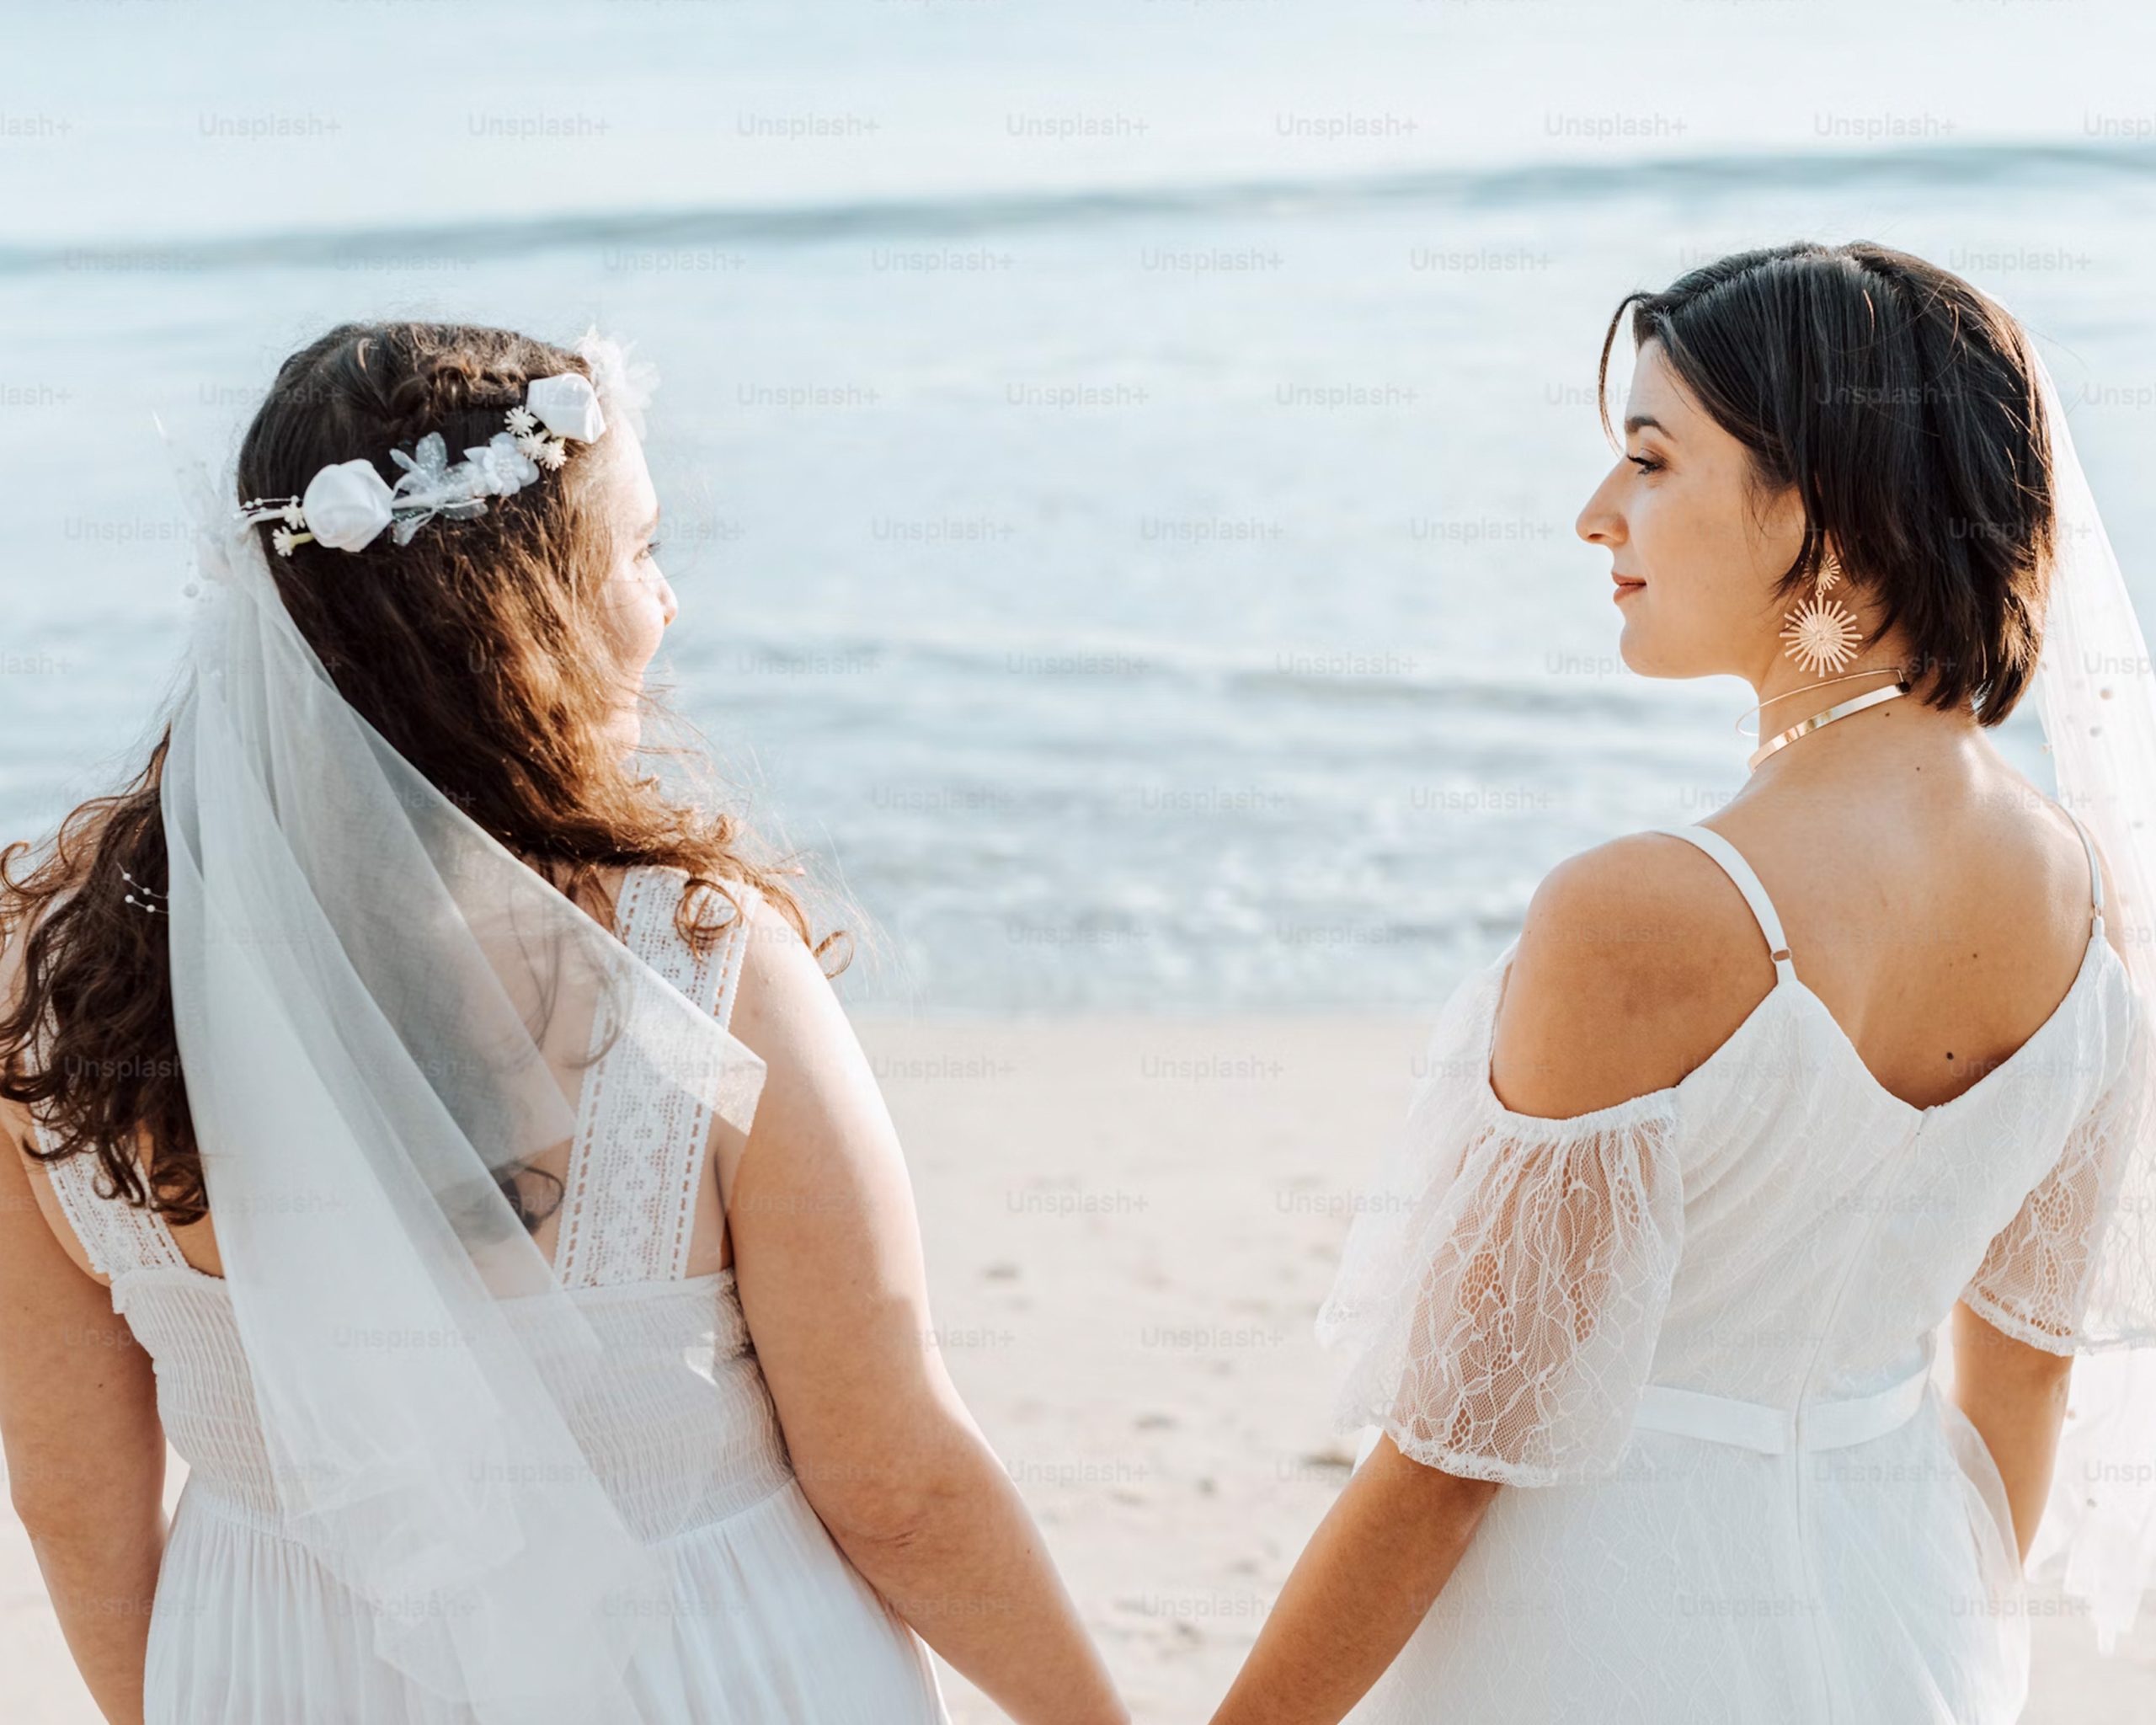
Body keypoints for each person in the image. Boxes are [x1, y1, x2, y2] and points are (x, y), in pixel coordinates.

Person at [0, 322, 1128, 1725]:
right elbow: (893, 1484)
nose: (669, 605)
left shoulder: (53, 980)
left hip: (263, 1667)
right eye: (641, 553)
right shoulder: (700, 970)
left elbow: (69, 1497)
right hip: (699, 1662)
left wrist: (183, 1697)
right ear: (526, 615)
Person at [1211, 243, 2156, 1722]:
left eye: (1650, 462)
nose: (1597, 517)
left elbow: (1458, 1455)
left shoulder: (1641, 914)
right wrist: (1923, 1645)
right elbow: (2023, 1380)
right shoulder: (2094, 906)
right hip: (1905, 1611)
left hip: (1598, 1632)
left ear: (1824, 518)